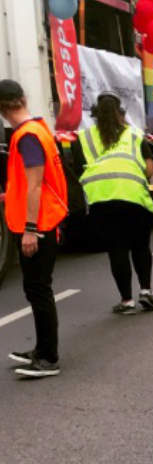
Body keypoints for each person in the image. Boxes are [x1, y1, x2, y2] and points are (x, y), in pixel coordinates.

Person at [1, 78, 68, 378]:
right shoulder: (39, 129)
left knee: (39, 289)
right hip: (45, 221)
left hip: (38, 224)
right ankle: (41, 349)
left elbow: (35, 185)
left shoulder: (27, 136)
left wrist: (30, 229)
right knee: (36, 288)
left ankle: (48, 357)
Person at [73, 92, 153, 314]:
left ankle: (127, 301)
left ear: (95, 116)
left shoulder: (84, 138)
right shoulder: (134, 134)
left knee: (117, 249)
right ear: (121, 113)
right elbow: (149, 168)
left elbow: (80, 169)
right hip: (134, 197)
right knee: (140, 246)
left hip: (102, 200)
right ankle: (146, 291)